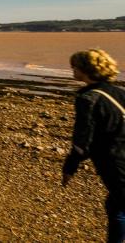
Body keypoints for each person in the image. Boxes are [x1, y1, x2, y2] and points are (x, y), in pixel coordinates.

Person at [63, 48, 125, 243]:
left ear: (86, 69)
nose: (72, 70)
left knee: (119, 205)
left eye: (75, 67)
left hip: (115, 161)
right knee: (116, 204)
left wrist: (70, 167)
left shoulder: (88, 98)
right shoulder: (120, 92)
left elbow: (83, 139)